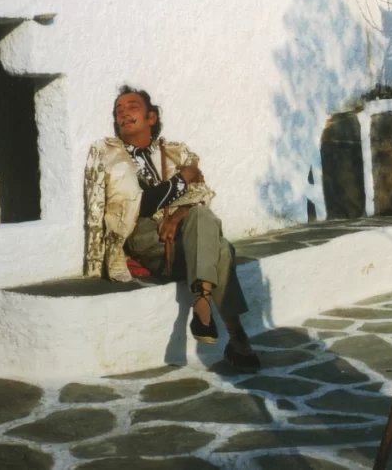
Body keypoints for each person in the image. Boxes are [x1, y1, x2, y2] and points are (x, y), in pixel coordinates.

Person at [83, 85, 260, 370]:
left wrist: (180, 213)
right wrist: (182, 180)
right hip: (146, 238)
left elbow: (202, 192)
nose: (124, 114)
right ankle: (237, 336)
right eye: (118, 111)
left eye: (132, 107)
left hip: (183, 237)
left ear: (151, 118)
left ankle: (203, 300)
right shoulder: (111, 155)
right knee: (221, 249)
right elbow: (136, 205)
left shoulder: (176, 152)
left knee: (202, 216)